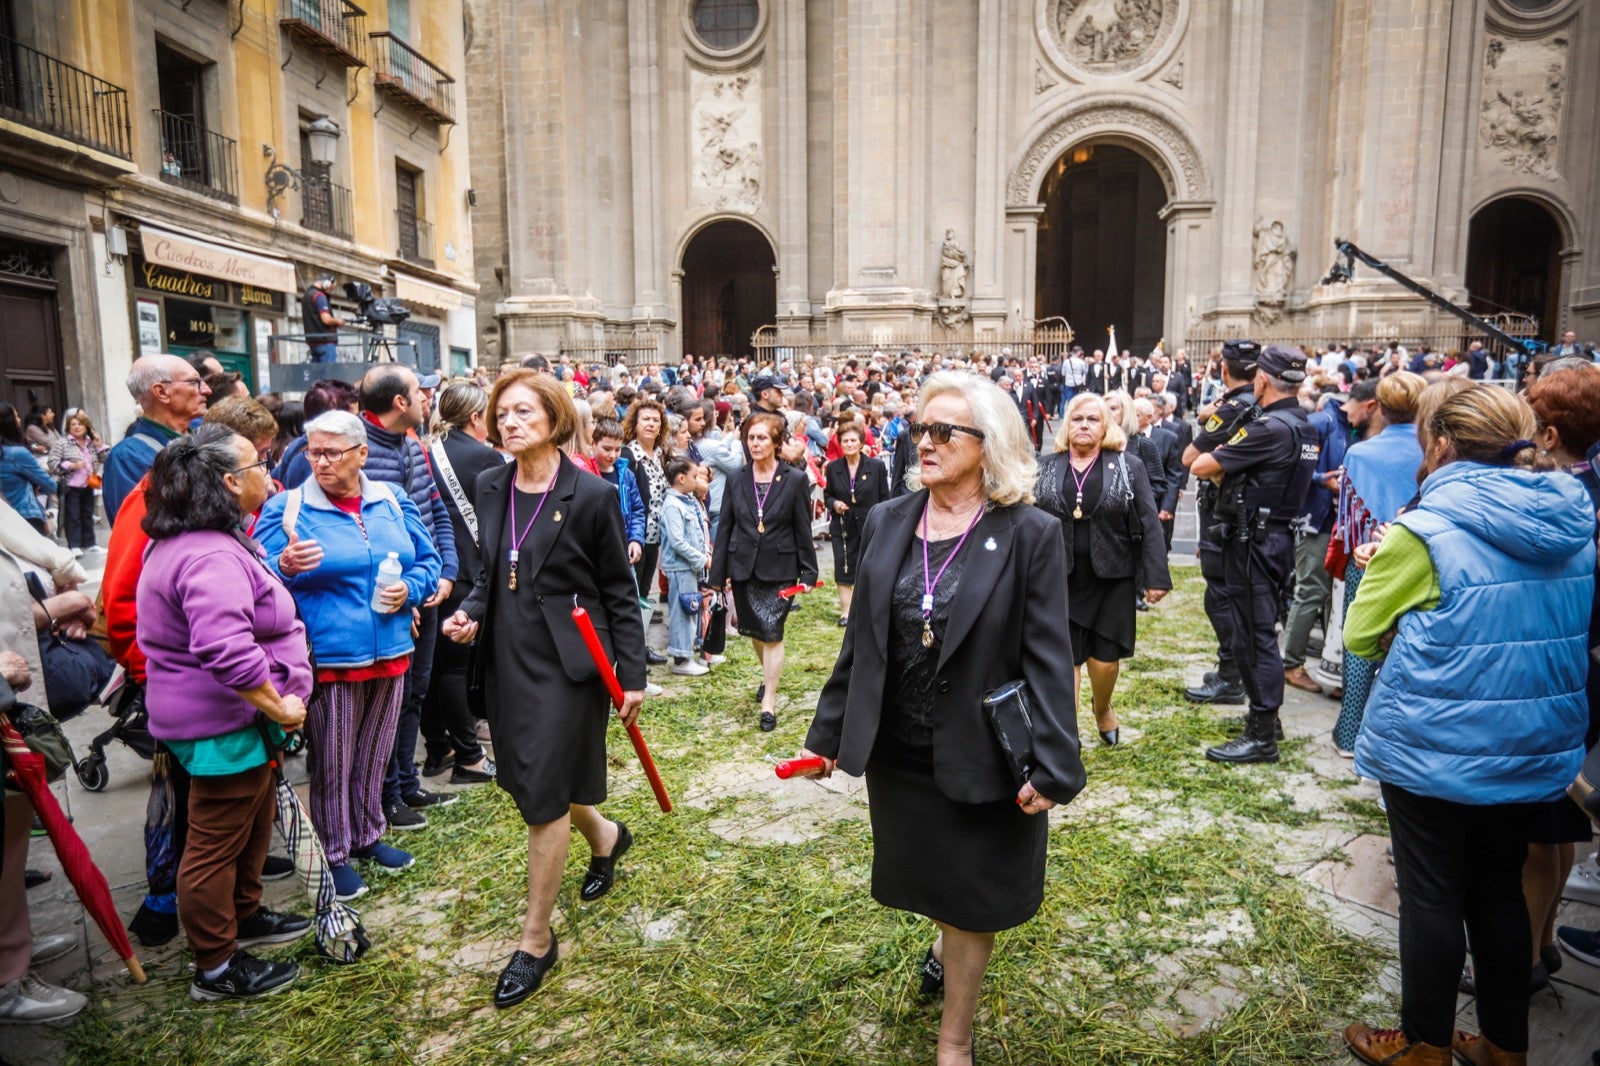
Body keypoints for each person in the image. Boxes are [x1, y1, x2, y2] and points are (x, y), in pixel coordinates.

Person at [792, 372, 1086, 1066]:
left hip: (982, 752)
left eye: (942, 432)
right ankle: (943, 947)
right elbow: (862, 640)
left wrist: (1055, 762)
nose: (923, 442)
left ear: (988, 446)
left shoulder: (1029, 534)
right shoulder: (888, 519)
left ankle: (954, 1036)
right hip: (901, 753)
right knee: (937, 884)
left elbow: (1048, 656)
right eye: (918, 429)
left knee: (971, 898)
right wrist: (829, 733)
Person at [1341, 385, 1595, 1066]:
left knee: (1430, 900)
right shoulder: (1575, 518)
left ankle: (1425, 1045)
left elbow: (1361, 635)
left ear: (1441, 444)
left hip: (1436, 746)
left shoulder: (1423, 530)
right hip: (1534, 744)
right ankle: (1505, 1048)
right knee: (1499, 896)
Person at [440, 370, 647, 1009]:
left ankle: (535, 940)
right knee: (534, 784)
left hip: (568, 664)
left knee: (541, 800)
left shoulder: (590, 494)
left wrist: (633, 675)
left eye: (523, 412)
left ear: (554, 418)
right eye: (501, 414)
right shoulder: (490, 482)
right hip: (506, 656)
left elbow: (618, 589)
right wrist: (470, 611)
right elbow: (492, 570)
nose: (508, 423)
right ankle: (606, 836)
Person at [134, 426, 314, 1001]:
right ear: (231, 483)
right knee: (213, 843)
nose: (270, 469)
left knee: (251, 825)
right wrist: (280, 704)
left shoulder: (210, 539)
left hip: (238, 724)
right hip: (221, 725)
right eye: (260, 462)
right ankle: (215, 965)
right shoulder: (207, 552)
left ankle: (246, 915)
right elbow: (224, 649)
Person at [258, 410, 442, 903]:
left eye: (332, 453)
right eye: (313, 452)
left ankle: (368, 835)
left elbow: (428, 561)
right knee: (333, 761)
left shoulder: (392, 500)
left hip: (393, 648)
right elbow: (256, 581)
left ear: (362, 454)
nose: (320, 462)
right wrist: (282, 564)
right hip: (331, 658)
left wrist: (412, 589)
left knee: (374, 754)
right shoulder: (289, 509)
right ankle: (334, 852)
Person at [1190, 345, 1319, 764]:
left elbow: (1201, 465)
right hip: (1277, 537)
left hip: (1255, 543)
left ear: (1263, 379)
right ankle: (1267, 720)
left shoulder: (1268, 428)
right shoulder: (1304, 425)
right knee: (1259, 630)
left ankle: (1262, 733)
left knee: (1254, 636)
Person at [1519, 366, 1600, 989]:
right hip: (1577, 666)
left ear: (1548, 435)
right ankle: (1543, 942)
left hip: (1559, 666)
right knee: (1558, 818)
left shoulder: (1556, 497)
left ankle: (1519, 961)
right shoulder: (1588, 485)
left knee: (1534, 829)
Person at [356, 364, 459, 830]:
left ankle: (405, 780)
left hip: (427, 589)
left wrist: (446, 572)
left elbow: (436, 512)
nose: (427, 397)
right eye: (420, 391)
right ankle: (384, 796)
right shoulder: (355, 452)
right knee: (389, 701)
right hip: (392, 603)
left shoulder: (414, 443)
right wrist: (409, 595)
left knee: (415, 692)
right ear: (400, 402)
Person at [1036, 392, 1171, 745]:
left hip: (1113, 576)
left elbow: (1149, 522)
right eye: (1077, 419)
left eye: (1092, 419)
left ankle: (1102, 706)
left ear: (1106, 426)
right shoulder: (1046, 466)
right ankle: (1068, 731)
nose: (1084, 425)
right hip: (1058, 578)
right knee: (1065, 659)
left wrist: (1156, 576)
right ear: (1067, 425)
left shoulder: (1128, 466)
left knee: (1105, 661)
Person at [1332, 372, 1427, 755]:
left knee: (1358, 641)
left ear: (1380, 408)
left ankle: (1350, 732)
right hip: (1420, 555)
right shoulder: (1431, 451)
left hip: (1369, 555)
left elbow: (1348, 518)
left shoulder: (1360, 452)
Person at [710, 411, 819, 732]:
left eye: (762, 438)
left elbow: (803, 527)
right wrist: (718, 576)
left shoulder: (795, 479)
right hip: (743, 566)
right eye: (751, 438)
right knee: (755, 631)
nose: (755, 444)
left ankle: (769, 699)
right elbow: (726, 528)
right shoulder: (736, 478)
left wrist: (809, 571)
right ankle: (768, 675)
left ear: (775, 442)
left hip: (780, 567)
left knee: (773, 631)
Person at [419, 383, 500, 785]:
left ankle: (438, 748)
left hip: (433, 568)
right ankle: (469, 757)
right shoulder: (484, 457)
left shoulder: (425, 449)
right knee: (455, 666)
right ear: (475, 418)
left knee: (433, 667)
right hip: (467, 571)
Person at [1281, 380, 1365, 695]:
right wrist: (1321, 480)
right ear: (1369, 405)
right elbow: (1289, 464)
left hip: (1344, 524)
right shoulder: (1320, 422)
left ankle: (1334, 667)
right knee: (1311, 590)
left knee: (1337, 594)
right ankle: (1291, 664)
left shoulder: (1358, 428)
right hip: (1316, 521)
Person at [103, 354, 212, 522]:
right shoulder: (128, 457)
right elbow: (140, 530)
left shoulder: (207, 437)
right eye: (193, 382)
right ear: (161, 392)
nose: (206, 389)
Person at [824, 418, 891, 626]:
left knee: (870, 567)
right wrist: (834, 504)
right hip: (843, 526)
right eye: (845, 441)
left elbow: (884, 498)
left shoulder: (876, 466)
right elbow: (827, 495)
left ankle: (868, 610)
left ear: (861, 443)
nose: (849, 444)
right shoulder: (833, 468)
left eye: (853, 440)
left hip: (870, 525)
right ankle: (846, 612)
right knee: (843, 566)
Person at [658, 456, 712, 676]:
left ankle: (687, 653)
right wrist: (701, 559)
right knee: (682, 611)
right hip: (681, 567)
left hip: (689, 567)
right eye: (694, 476)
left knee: (690, 609)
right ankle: (681, 658)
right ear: (681, 478)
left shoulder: (686, 501)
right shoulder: (672, 506)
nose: (697, 479)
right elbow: (678, 541)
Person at [623, 396, 668, 651]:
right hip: (638, 535)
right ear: (635, 424)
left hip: (656, 535)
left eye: (655, 420)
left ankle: (644, 646)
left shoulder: (660, 454)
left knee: (645, 593)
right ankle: (635, 648)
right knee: (635, 592)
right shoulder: (630, 455)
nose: (651, 424)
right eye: (646, 420)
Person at [47, 411, 108, 554]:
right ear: (68, 427)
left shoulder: (91, 443)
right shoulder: (62, 443)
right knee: (73, 516)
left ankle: (89, 544)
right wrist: (71, 465)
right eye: (73, 424)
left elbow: (105, 458)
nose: (76, 427)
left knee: (87, 515)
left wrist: (100, 445)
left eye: (80, 424)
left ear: (86, 427)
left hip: (88, 484)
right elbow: (52, 463)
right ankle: (74, 545)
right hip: (70, 485)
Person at [0, 405, 56, 535]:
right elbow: (50, 485)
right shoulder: (16, 454)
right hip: (25, 516)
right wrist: (36, 488)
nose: (19, 420)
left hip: (4, 519)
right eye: (16, 416)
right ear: (8, 423)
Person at [301, 273, 344, 363]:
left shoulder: (306, 296)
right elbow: (326, 319)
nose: (330, 291)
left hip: (313, 343)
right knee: (329, 375)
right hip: (326, 342)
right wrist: (338, 322)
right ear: (326, 284)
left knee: (318, 376)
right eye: (331, 288)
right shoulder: (319, 296)